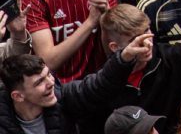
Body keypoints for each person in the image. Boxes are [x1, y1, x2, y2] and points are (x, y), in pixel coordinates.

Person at [0, 41, 146, 134]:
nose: (50, 83)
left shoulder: (62, 96)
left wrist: (123, 58)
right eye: (39, 82)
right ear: (18, 96)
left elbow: (98, 86)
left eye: (48, 75)